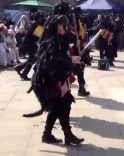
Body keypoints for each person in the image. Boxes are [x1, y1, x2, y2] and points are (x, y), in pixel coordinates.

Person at [29, 14, 84, 145]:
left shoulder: (61, 39)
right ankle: (67, 135)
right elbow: (52, 61)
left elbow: (65, 55)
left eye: (64, 25)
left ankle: (48, 135)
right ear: (55, 26)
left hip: (58, 78)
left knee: (60, 106)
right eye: (61, 25)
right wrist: (71, 60)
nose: (64, 27)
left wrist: (76, 59)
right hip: (50, 80)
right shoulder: (51, 41)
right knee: (61, 105)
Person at [14, 11, 45, 80]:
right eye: (41, 17)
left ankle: (19, 68)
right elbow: (37, 36)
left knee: (32, 59)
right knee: (32, 59)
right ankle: (23, 73)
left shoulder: (35, 23)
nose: (43, 18)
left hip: (29, 43)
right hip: (31, 43)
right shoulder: (38, 25)